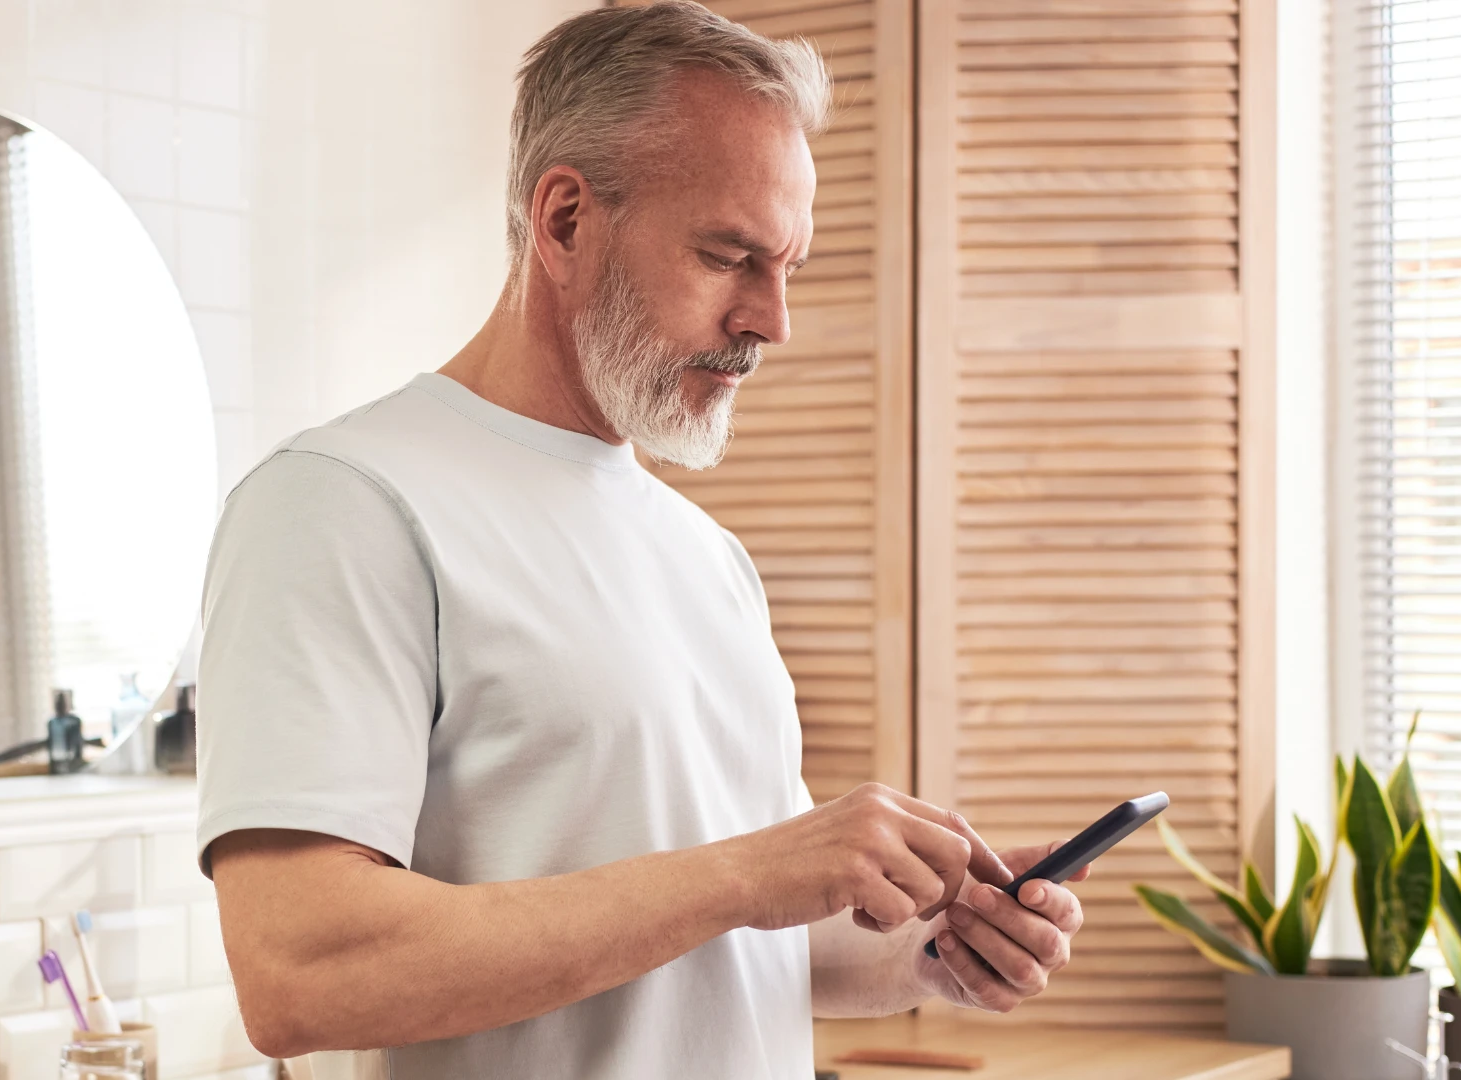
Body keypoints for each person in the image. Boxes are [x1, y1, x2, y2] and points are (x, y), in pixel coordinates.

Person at [196, 4, 1085, 1077]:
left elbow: (741, 948)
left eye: (787, 264)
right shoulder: (342, 503)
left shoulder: (707, 557)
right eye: (730, 256)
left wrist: (929, 949)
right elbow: (300, 972)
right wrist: (746, 873)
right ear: (565, 220)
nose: (773, 319)